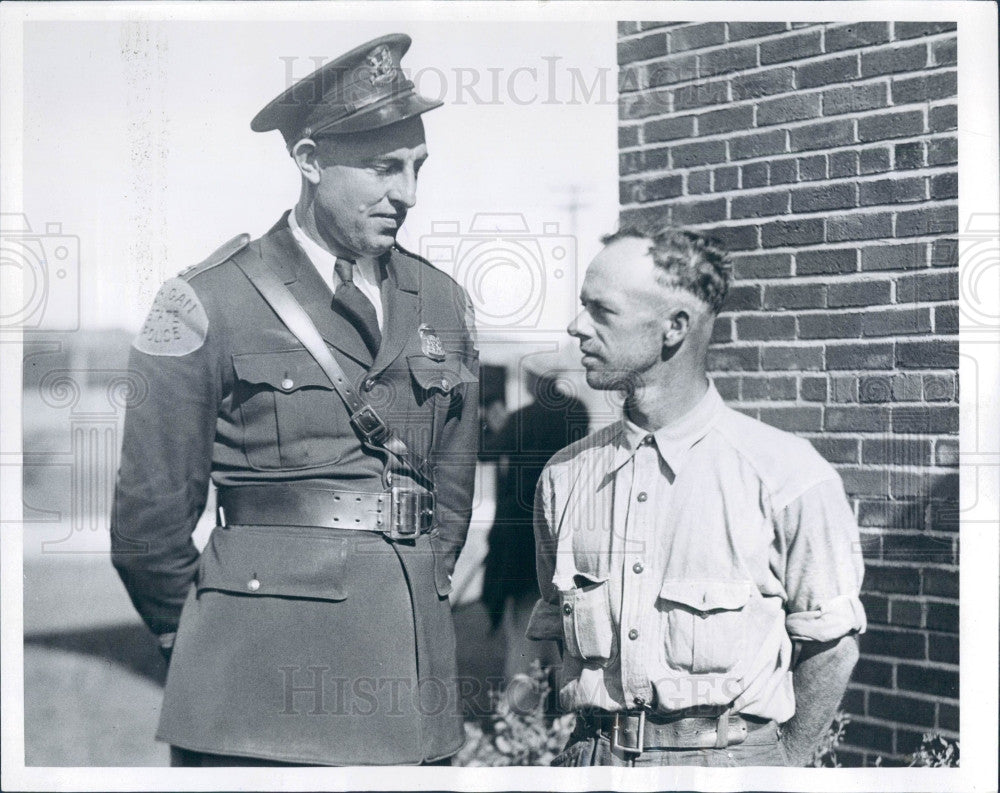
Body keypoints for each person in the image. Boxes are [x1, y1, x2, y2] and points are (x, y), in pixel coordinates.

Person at [110, 34, 480, 766]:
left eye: (415, 168)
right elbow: (148, 525)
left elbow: (452, 493)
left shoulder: (443, 301)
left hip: (406, 685)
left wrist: (418, 594)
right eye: (382, 168)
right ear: (309, 161)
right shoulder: (205, 301)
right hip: (254, 688)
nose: (405, 193)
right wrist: (210, 642)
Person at [527, 224, 865, 767]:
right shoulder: (565, 477)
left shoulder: (787, 475)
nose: (575, 327)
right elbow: (551, 631)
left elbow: (831, 648)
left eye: (601, 311)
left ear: (674, 327)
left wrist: (782, 769)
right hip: (591, 761)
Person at [480, 362, 589, 680]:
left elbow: (486, 453)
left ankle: (520, 718)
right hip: (564, 526)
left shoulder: (523, 418)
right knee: (565, 631)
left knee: (525, 635)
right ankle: (562, 711)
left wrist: (492, 422)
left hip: (520, 535)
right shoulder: (576, 411)